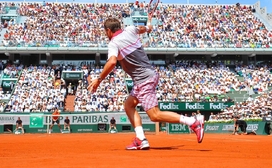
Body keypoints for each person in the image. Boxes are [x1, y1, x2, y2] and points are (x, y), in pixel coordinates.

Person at [87, 17, 204, 150]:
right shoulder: (131, 29)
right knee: (129, 105)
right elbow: (145, 29)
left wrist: (99, 79)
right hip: (145, 77)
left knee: (154, 115)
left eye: (105, 31)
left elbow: (112, 62)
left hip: (144, 79)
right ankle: (141, 139)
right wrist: (149, 24)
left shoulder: (114, 43)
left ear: (108, 30)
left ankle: (193, 122)